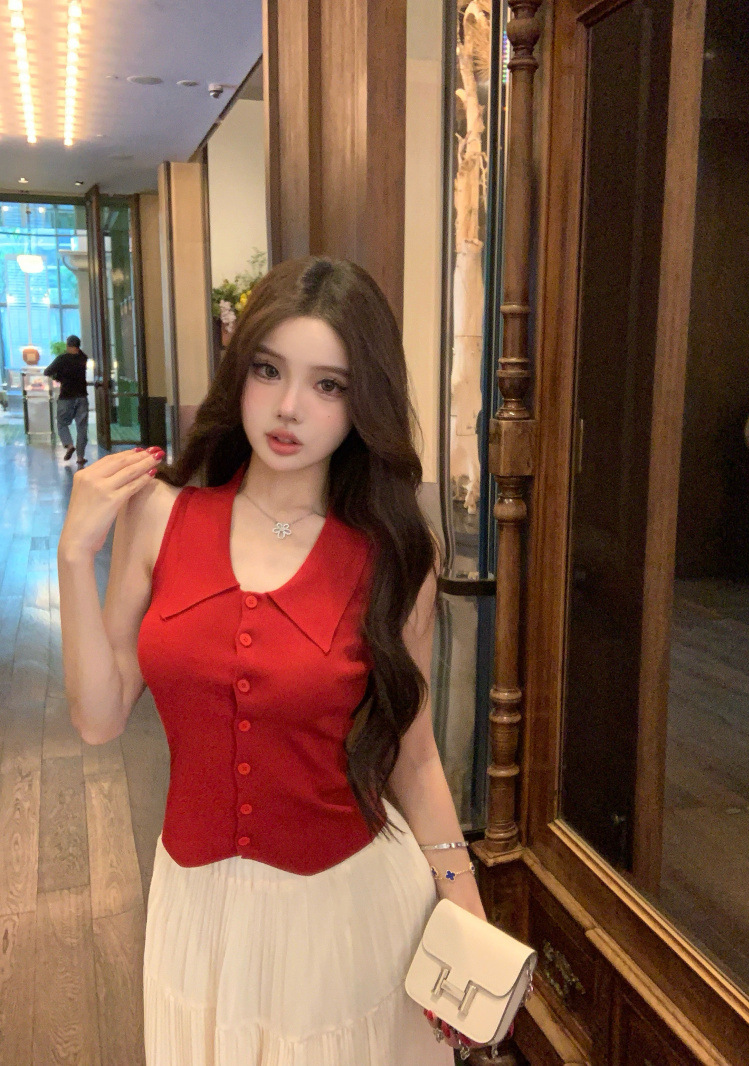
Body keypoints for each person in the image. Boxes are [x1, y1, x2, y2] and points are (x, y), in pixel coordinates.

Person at [57, 257, 492, 1066]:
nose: (290, 407)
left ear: (363, 402)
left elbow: (414, 755)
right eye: (269, 370)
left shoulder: (394, 555)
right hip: (195, 910)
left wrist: (465, 913)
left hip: (345, 914)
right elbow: (98, 718)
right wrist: (74, 556)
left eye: (329, 385)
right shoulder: (159, 516)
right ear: (240, 372)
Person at [44, 334, 89, 466]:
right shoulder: (83, 358)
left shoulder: (62, 359)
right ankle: (80, 457)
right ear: (78, 346)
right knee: (82, 428)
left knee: (62, 424)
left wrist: (58, 377)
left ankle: (69, 445)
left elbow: (47, 372)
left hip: (66, 397)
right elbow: (81, 355)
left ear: (68, 346)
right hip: (82, 397)